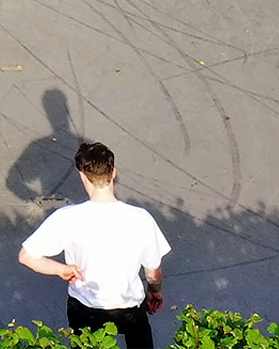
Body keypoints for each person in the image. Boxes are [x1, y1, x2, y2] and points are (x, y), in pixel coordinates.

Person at [18, 141, 170, 349]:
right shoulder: (141, 219)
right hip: (130, 308)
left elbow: (26, 256)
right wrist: (154, 291)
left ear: (82, 175)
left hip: (85, 308)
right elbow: (154, 272)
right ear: (113, 172)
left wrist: (61, 269)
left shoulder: (66, 217)